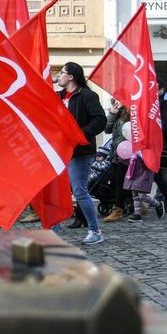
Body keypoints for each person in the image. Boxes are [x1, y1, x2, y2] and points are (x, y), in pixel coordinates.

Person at [56, 62, 107, 244]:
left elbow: (100, 120)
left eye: (61, 72)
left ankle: (95, 230)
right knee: (56, 192)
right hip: (59, 151)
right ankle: (52, 231)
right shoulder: (59, 96)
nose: (58, 76)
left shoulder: (87, 95)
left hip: (79, 152)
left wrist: (79, 134)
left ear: (71, 76)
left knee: (79, 191)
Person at [102, 101, 132, 223]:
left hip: (126, 154)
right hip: (116, 153)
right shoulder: (118, 114)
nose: (116, 102)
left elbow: (128, 134)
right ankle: (137, 205)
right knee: (118, 181)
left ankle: (118, 210)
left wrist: (121, 149)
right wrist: (112, 115)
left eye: (118, 99)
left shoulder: (130, 113)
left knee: (120, 182)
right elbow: (107, 129)